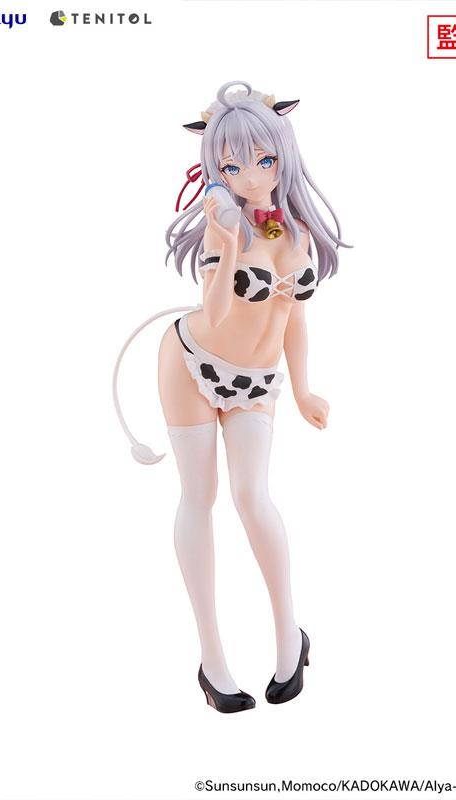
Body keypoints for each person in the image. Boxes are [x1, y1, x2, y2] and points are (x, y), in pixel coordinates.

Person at [114, 80, 350, 713]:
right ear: (215, 171)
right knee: (200, 496)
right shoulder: (227, 230)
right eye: (232, 166)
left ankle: (289, 635)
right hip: (189, 360)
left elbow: (294, 318)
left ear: (283, 155)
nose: (251, 176)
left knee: (253, 496)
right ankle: (212, 658)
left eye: (263, 159)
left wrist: (303, 388)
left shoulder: (297, 234)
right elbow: (215, 314)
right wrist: (223, 244)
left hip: (257, 380)